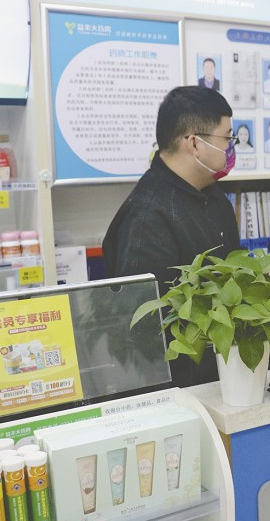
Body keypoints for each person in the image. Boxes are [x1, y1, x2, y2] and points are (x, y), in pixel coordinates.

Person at [103, 86, 241, 387]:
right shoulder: (147, 218)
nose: (232, 147)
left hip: (224, 374)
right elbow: (143, 332)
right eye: (227, 137)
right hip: (184, 386)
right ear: (195, 143)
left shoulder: (213, 194)